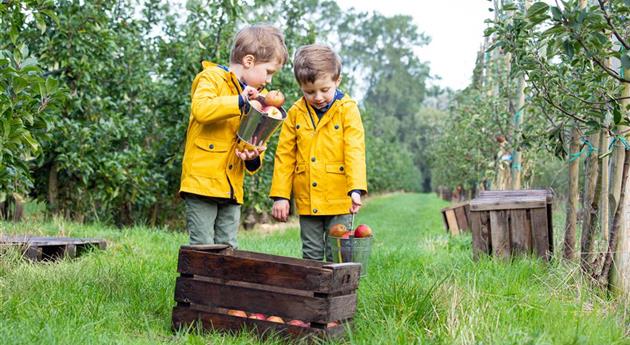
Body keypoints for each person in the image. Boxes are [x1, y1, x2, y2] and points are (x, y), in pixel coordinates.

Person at [179, 24, 288, 246]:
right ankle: (197, 282)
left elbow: (256, 140)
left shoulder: (260, 99)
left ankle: (222, 282)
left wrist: (253, 157)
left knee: (229, 248)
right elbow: (201, 109)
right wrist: (240, 101)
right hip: (201, 183)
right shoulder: (211, 78)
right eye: (268, 72)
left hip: (231, 189)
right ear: (249, 61)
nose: (268, 80)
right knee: (202, 246)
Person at [269, 44, 367, 261]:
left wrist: (356, 189)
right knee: (311, 255)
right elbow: (284, 156)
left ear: (337, 80)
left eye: (325, 90)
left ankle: (338, 295)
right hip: (308, 198)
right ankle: (312, 295)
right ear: (300, 86)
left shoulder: (347, 109)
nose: (318, 97)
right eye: (309, 92)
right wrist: (281, 196)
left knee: (338, 254)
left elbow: (354, 150)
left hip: (340, 196)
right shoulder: (295, 113)